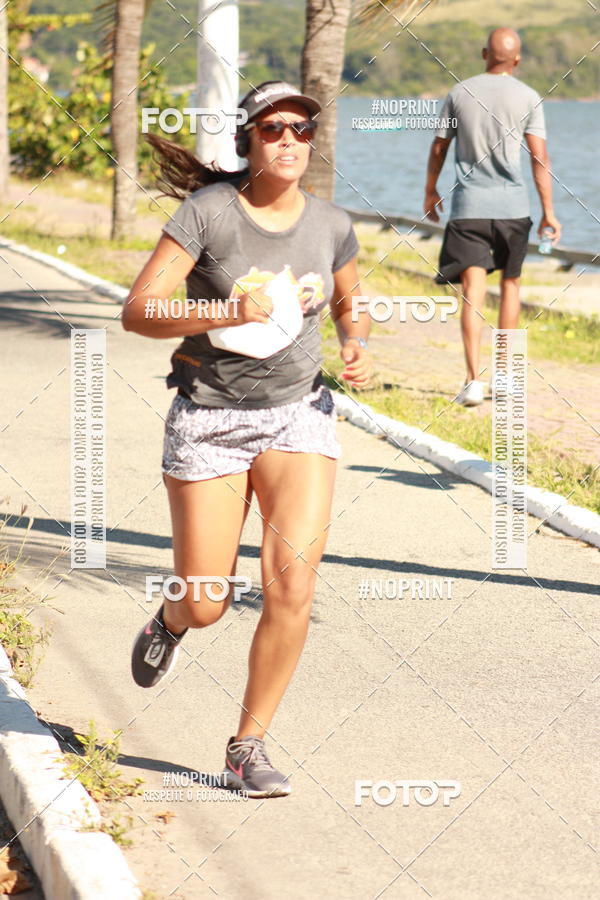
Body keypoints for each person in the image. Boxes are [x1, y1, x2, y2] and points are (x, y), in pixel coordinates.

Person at [121, 81, 371, 798]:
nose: (289, 140)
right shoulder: (208, 213)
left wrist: (354, 340)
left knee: (292, 582)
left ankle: (245, 748)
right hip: (210, 419)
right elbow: (139, 310)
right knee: (206, 599)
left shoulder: (330, 223)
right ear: (248, 140)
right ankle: (172, 620)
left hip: (298, 412)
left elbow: (353, 300)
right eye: (273, 130)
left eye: (300, 129)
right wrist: (222, 307)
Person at [424, 27, 562, 406]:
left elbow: (438, 148)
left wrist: (430, 190)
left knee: (473, 293)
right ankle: (504, 380)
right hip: (513, 210)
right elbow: (540, 159)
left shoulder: (459, 93)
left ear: (485, 53)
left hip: (468, 209)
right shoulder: (530, 97)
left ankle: (472, 382)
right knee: (511, 289)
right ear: (516, 59)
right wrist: (549, 212)